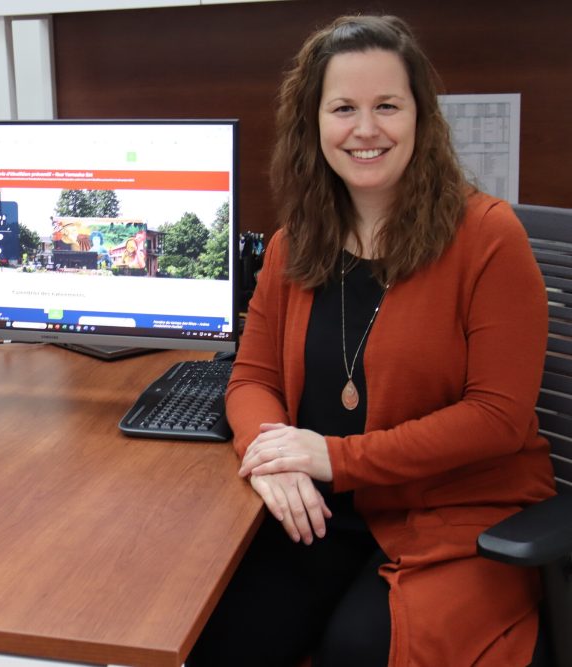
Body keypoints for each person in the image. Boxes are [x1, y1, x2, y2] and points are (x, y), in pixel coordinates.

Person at [186, 15, 554, 667]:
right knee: (213, 631)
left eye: (387, 105)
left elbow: (498, 417)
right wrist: (273, 457)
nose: (365, 129)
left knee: (359, 650)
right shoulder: (295, 244)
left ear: (420, 117)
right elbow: (252, 378)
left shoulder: (488, 238)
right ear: (314, 124)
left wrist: (334, 456)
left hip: (459, 512)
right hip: (324, 511)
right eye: (343, 108)